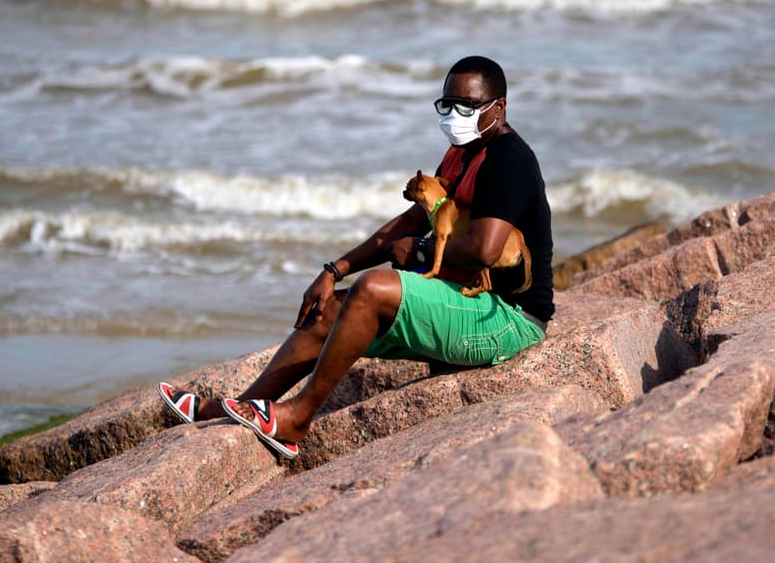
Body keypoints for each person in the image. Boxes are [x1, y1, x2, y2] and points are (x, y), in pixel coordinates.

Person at [158, 55, 553, 459]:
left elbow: (485, 250)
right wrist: (335, 269)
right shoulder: (462, 153)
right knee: (327, 310)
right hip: (469, 300)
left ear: (498, 108)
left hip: (507, 318)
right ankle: (230, 410)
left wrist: (418, 251)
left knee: (371, 290)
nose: (455, 115)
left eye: (467, 106)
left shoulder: (508, 161)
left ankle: (297, 418)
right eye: (447, 105)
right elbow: (411, 220)